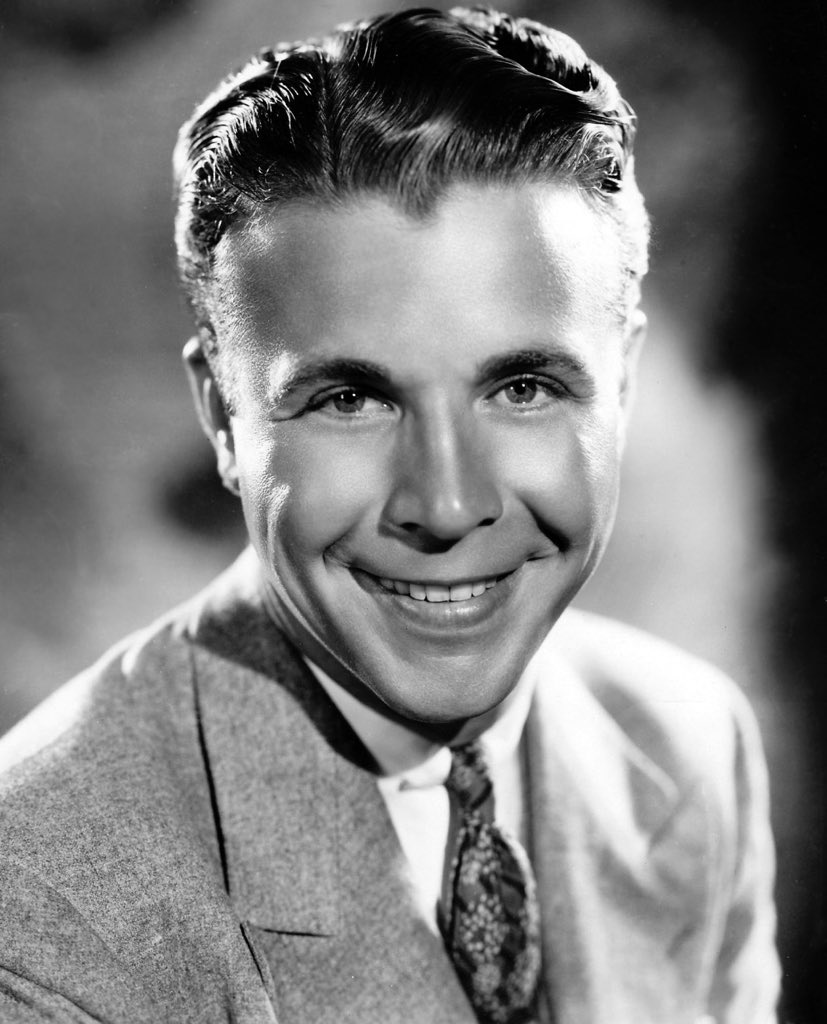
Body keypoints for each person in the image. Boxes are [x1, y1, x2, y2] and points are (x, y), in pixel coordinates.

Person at [0, 7, 779, 1023]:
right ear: (221, 417)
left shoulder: (684, 743)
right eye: (350, 400)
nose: (446, 504)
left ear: (622, 381)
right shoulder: (45, 899)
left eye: (523, 387)